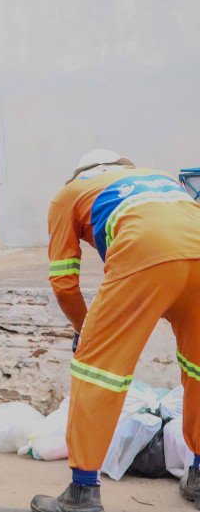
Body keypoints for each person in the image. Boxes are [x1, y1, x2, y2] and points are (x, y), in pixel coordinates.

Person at [34, 149, 200, 512]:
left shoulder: (68, 195)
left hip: (145, 253)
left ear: (79, 174)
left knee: (96, 372)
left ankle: (82, 493)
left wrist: (83, 329)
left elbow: (63, 282)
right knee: (198, 368)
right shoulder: (158, 178)